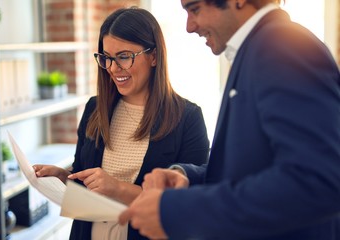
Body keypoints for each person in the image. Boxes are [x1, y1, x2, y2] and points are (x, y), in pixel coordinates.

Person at [119, 0, 340, 239]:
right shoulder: (256, 49)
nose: (189, 27)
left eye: (195, 10)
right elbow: (254, 166)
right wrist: (187, 177)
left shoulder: (284, 46)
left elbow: (319, 180)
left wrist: (180, 210)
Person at [33, 7, 209, 240]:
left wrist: (117, 188)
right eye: (107, 58)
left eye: (124, 57)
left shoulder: (187, 117)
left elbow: (190, 203)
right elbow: (83, 173)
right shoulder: (95, 108)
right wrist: (65, 178)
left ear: (154, 56)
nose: (113, 69)